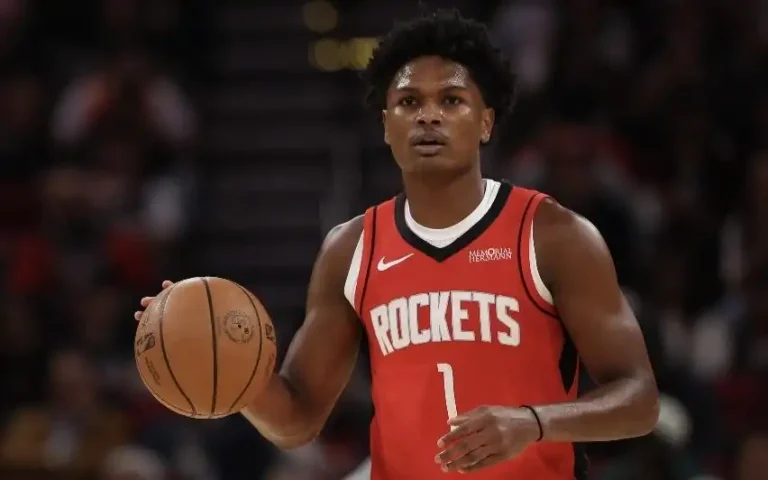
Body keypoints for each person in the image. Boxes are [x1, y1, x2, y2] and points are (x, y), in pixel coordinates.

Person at [135, 9, 659, 479]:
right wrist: (227, 368)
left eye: (451, 100)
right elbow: (296, 419)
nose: (428, 116)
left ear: (485, 121)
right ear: (387, 126)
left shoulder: (553, 235)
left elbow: (639, 401)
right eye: (409, 101)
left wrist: (534, 422)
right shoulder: (351, 250)